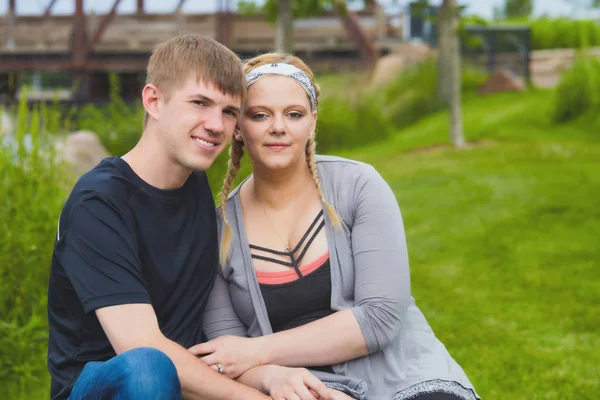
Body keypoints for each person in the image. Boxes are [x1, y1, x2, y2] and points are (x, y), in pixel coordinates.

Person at [191, 53, 482, 400]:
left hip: (400, 377)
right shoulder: (216, 229)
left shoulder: (358, 186)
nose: (278, 127)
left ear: (312, 122)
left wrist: (257, 352)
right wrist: (276, 379)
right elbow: (228, 356)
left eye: (294, 114)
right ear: (237, 126)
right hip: (298, 391)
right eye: (260, 115)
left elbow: (380, 317)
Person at [47, 35, 322, 400]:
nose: (215, 125)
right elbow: (140, 346)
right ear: (153, 101)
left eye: (228, 112)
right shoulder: (99, 203)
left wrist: (269, 377)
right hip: (108, 386)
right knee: (147, 368)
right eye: (199, 103)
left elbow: (196, 346)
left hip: (179, 386)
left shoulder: (193, 187)